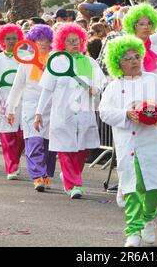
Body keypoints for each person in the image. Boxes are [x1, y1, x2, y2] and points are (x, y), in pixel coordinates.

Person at [99, 35, 157, 247]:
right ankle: (132, 230)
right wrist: (126, 114)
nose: (133, 61)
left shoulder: (155, 81)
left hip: (151, 140)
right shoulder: (113, 86)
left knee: (156, 187)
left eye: (136, 56)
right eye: (127, 58)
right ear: (117, 63)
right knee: (132, 188)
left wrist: (156, 112)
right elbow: (104, 112)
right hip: (127, 143)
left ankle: (148, 219)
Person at [35, 23, 106, 199]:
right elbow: (47, 90)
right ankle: (74, 184)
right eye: (70, 41)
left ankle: (70, 176)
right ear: (62, 43)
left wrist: (95, 89)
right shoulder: (56, 62)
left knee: (82, 151)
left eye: (77, 40)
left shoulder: (88, 62)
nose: (75, 43)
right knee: (66, 151)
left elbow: (101, 82)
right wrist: (38, 113)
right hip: (62, 115)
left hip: (84, 114)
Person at [122, 3, 157, 213]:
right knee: (131, 155)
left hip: (155, 106)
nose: (146, 27)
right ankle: (130, 192)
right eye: (141, 23)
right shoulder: (124, 49)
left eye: (149, 23)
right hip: (133, 108)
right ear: (133, 26)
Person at [6, 25, 57, 192]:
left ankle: (47, 174)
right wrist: (11, 109)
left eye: (46, 40)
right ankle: (37, 176)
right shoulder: (25, 63)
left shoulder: (56, 61)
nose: (43, 43)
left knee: (50, 146)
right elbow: (17, 87)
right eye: (39, 40)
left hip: (51, 108)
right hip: (30, 108)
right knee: (34, 143)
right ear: (32, 42)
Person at [0, 24, 25, 180]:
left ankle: (16, 161)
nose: (11, 41)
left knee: (21, 136)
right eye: (8, 39)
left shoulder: (26, 56)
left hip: (23, 101)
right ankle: (12, 167)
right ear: (2, 41)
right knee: (8, 137)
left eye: (14, 38)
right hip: (4, 100)